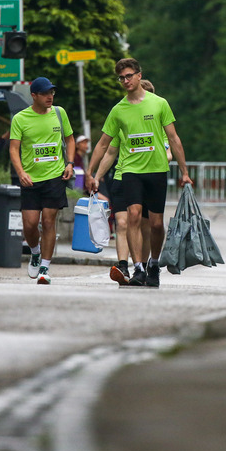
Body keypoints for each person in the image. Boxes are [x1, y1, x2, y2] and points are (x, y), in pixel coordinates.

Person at [87, 58, 192, 288]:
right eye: (121, 78)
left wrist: (184, 171)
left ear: (138, 75)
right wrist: (91, 172)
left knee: (155, 224)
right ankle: (139, 267)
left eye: (129, 76)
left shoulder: (159, 103)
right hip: (131, 171)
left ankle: (154, 263)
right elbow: (105, 145)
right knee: (133, 216)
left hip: (156, 170)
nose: (125, 81)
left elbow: (173, 138)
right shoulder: (118, 110)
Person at [96, 79, 172, 282]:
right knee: (124, 222)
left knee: (148, 226)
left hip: (150, 176)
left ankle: (146, 266)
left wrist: (161, 157)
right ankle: (125, 266)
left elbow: (168, 150)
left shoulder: (157, 122)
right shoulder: (123, 119)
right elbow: (110, 151)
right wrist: (96, 176)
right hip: (124, 177)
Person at [9, 76, 75, 285]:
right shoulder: (20, 118)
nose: (50, 96)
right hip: (30, 179)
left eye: (52, 92)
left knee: (48, 220)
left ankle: (45, 267)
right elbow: (13, 149)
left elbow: (70, 139)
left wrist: (70, 163)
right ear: (34, 96)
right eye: (46, 93)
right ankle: (35, 252)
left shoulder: (59, 113)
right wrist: (21, 172)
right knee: (29, 225)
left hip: (55, 176)